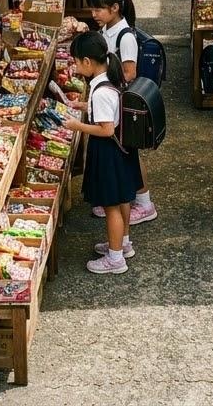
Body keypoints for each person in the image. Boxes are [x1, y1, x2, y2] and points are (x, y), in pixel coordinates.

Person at [63, 32, 142, 274]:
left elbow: (106, 129)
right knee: (123, 200)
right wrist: (83, 106)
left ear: (87, 62)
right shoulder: (110, 79)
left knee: (111, 206)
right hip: (124, 150)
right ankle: (122, 243)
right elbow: (110, 110)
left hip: (109, 153)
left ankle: (115, 260)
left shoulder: (100, 91)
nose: (76, 67)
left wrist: (77, 126)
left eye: (76, 62)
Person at [86, 0, 158, 226]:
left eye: (98, 9)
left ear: (115, 8)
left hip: (121, 105)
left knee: (130, 156)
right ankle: (116, 201)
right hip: (114, 102)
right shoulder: (108, 29)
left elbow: (129, 72)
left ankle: (144, 203)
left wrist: (104, 82)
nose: (93, 15)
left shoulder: (125, 36)